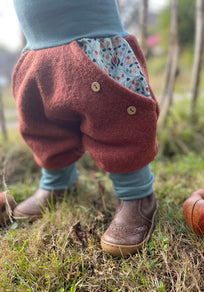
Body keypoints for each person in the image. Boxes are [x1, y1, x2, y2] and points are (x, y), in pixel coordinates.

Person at [11, 0, 159, 257]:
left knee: (116, 118)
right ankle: (58, 182)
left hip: (93, 34)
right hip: (37, 42)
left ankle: (137, 193)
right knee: (43, 126)